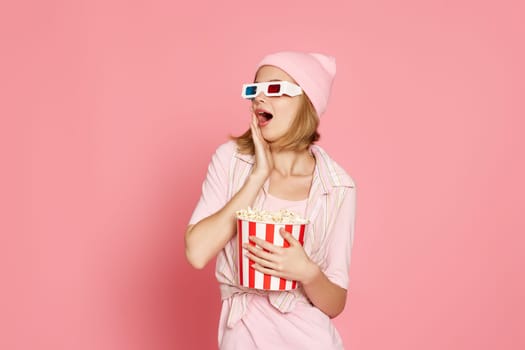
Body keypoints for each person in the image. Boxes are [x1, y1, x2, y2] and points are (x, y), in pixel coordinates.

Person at [185, 51, 357, 349]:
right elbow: (197, 252)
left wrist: (307, 272)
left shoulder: (338, 187)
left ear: (308, 102)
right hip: (242, 336)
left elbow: (335, 302)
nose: (259, 99)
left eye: (275, 89)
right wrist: (257, 177)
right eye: (254, 91)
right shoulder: (230, 161)